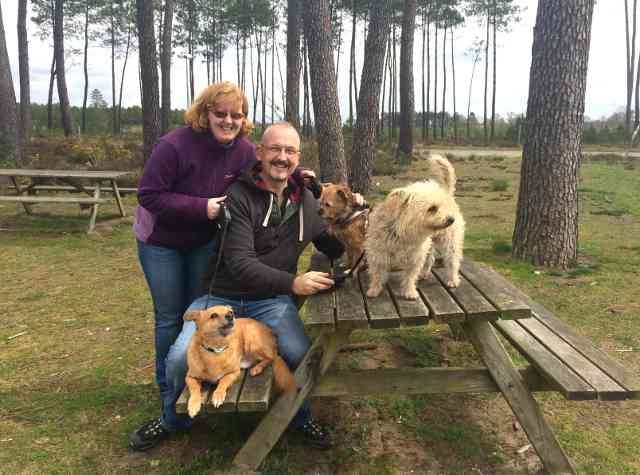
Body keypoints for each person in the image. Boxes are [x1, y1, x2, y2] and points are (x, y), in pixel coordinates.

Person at [131, 121, 344, 451]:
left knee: (301, 353)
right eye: (274, 149)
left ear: (298, 158)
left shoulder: (307, 203)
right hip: (220, 297)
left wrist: (360, 224)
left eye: (290, 151)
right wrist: (294, 282)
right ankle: (172, 420)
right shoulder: (239, 197)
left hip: (271, 301)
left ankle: (300, 418)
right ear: (259, 153)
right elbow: (241, 264)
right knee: (176, 360)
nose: (282, 157)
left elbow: (334, 245)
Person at [130, 81, 257, 451]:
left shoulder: (244, 151)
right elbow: (148, 194)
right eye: (221, 114)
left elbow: (264, 173)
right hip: (161, 243)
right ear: (204, 113)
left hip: (202, 243)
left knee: (197, 316)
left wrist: (301, 178)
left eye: (236, 114)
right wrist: (202, 208)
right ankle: (169, 407)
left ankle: (196, 385)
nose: (229, 121)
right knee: (170, 318)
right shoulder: (174, 145)